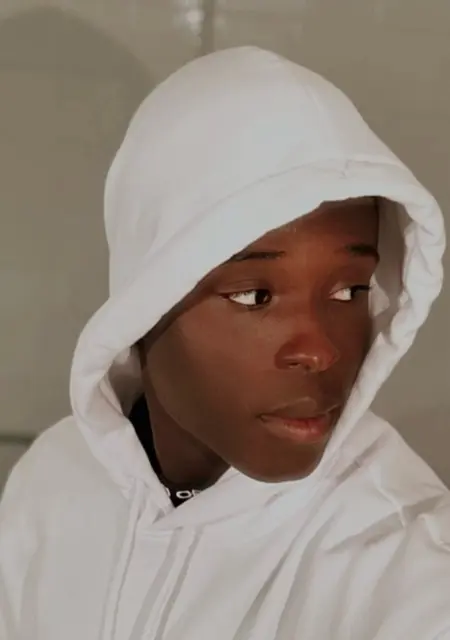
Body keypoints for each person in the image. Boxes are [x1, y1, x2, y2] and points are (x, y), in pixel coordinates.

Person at [0, 46, 449, 640]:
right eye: (254, 296)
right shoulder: (53, 483)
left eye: (349, 291)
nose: (320, 352)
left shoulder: (406, 566)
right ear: (143, 299)